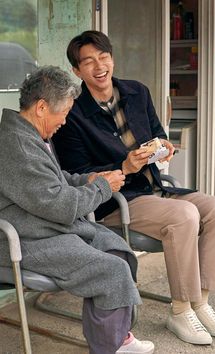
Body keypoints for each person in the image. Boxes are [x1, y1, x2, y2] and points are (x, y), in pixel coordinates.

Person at [52, 30, 215, 346]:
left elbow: (158, 133)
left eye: (104, 56)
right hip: (116, 200)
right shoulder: (74, 113)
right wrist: (125, 166)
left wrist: (163, 146)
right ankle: (180, 310)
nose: (99, 66)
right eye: (89, 61)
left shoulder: (137, 92)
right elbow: (75, 174)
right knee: (185, 215)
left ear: (112, 57)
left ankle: (200, 303)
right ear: (76, 71)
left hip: (156, 188)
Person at [0, 66, 155, 354]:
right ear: (42, 107)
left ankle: (117, 335)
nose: (66, 120)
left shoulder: (31, 134)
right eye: (64, 112)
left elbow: (53, 180)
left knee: (118, 251)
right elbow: (60, 205)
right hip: (26, 238)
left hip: (45, 227)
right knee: (111, 269)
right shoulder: (18, 145)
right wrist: (102, 188)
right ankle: (110, 346)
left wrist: (89, 179)